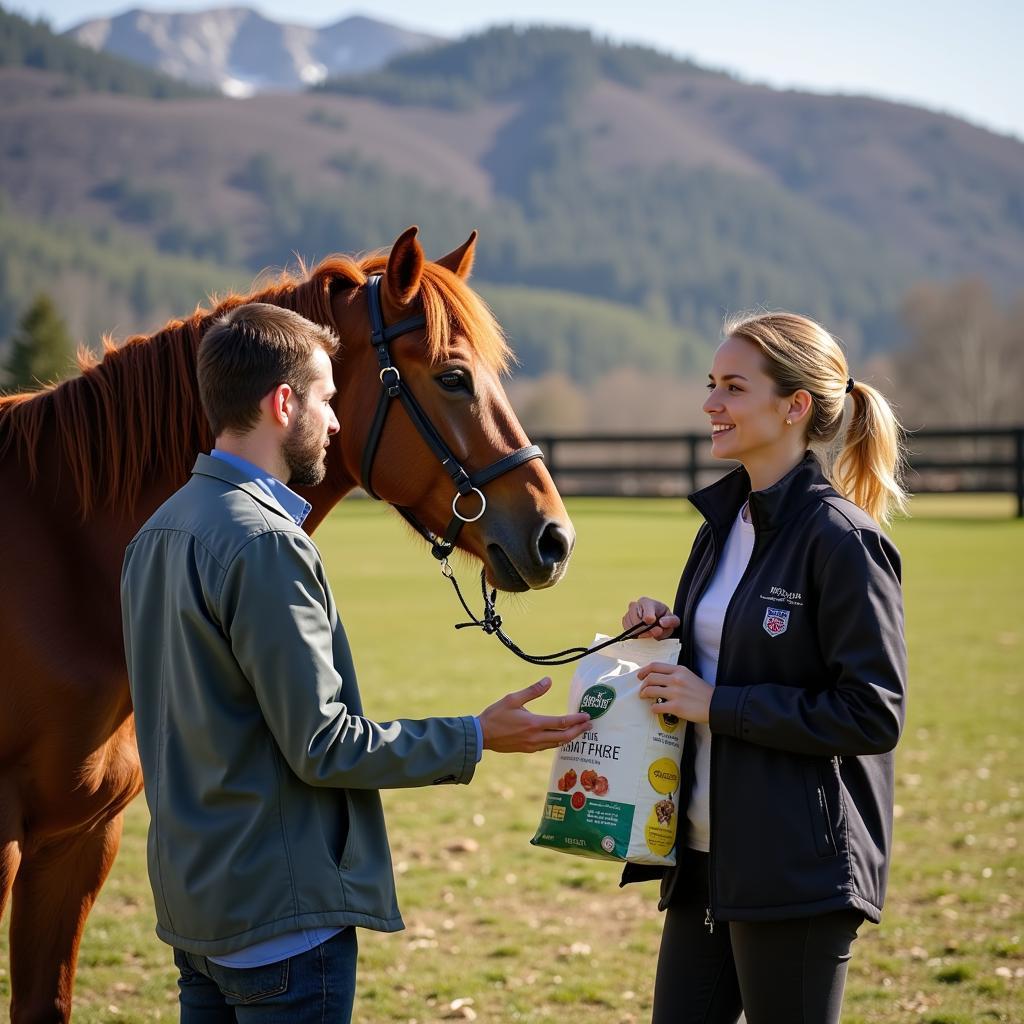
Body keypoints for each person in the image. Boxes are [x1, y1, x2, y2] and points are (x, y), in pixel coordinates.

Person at [120, 302, 590, 1022]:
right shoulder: (266, 544)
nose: (338, 423)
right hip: (285, 925)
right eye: (328, 400)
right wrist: (476, 734)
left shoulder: (158, 531)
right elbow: (325, 746)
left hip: (199, 920)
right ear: (284, 403)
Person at [619, 311, 909, 1024]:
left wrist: (715, 703)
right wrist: (668, 638)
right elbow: (733, 654)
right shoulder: (722, 526)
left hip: (796, 869)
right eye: (711, 384)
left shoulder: (843, 542)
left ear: (794, 406)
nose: (711, 403)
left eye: (734, 387)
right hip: (703, 861)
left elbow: (872, 713)